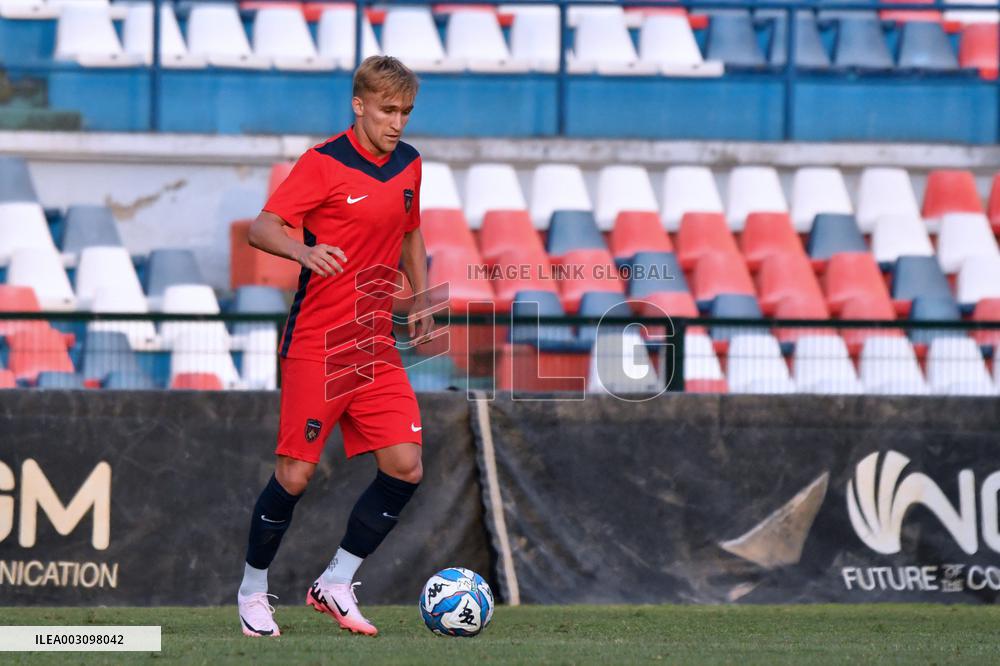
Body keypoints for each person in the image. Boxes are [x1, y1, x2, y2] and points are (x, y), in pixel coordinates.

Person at [235, 55, 432, 638]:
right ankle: (251, 593)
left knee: (406, 467)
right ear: (359, 104)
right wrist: (303, 251)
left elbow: (412, 232)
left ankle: (336, 582)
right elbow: (262, 227)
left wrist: (422, 298)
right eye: (387, 110)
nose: (397, 122)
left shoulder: (410, 164)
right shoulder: (322, 163)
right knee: (295, 476)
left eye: (405, 112)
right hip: (318, 342)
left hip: (375, 344)